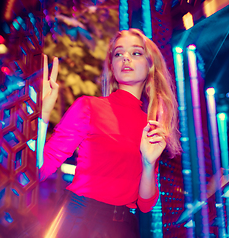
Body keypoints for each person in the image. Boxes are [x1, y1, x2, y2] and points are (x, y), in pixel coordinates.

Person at [39, 28, 181, 238]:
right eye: (118, 53)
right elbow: (40, 169)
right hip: (77, 220)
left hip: (122, 228)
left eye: (135, 53)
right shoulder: (89, 107)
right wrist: (42, 112)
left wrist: (149, 164)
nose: (125, 58)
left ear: (150, 65)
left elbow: (145, 204)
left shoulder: (150, 128)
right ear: (112, 66)